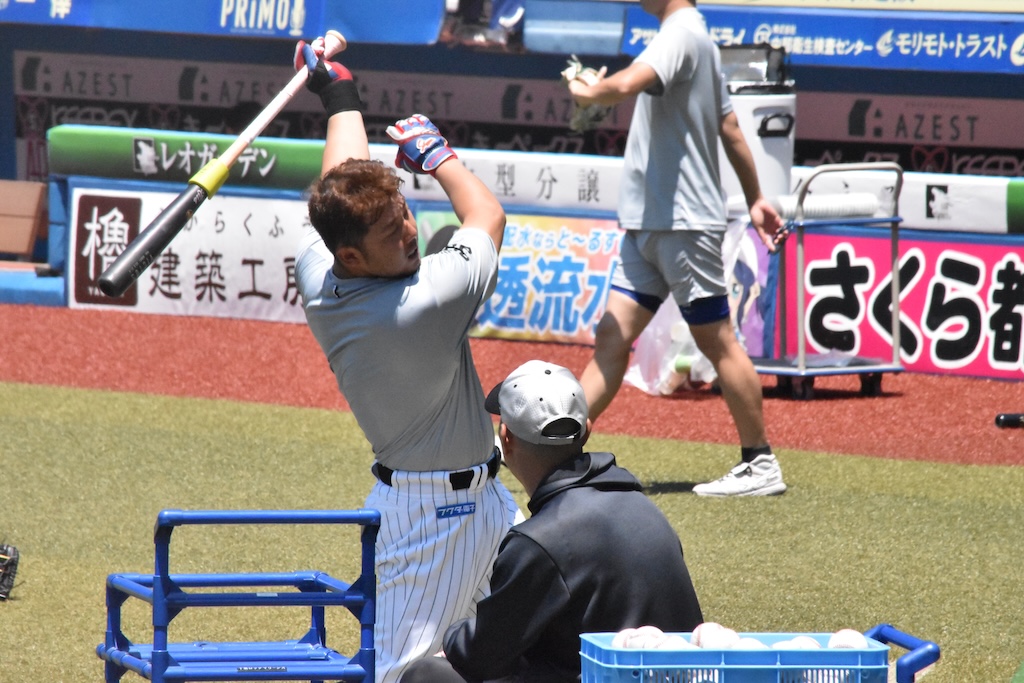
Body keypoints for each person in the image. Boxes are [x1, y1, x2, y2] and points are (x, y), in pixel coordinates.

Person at [291, 36, 520, 683]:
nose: (411, 232)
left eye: (405, 215)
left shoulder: (320, 267)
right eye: (392, 232)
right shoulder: (423, 302)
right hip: (430, 522)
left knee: (517, 661)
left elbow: (342, 171)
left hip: (493, 503)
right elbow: (486, 212)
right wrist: (437, 155)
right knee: (398, 674)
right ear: (355, 256)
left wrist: (338, 92)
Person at [566, 0, 788, 497]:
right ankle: (555, 450)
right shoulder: (695, 37)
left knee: (718, 341)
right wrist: (755, 199)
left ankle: (760, 463)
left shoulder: (680, 33)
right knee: (612, 337)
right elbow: (728, 128)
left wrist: (587, 91)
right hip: (650, 225)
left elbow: (621, 86)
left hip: (684, 225)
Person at [401, 360, 704, 683]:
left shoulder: (539, 540)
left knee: (428, 674)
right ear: (587, 429)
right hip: (672, 676)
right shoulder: (645, 509)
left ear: (506, 438)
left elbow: (481, 658)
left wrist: (454, 635)